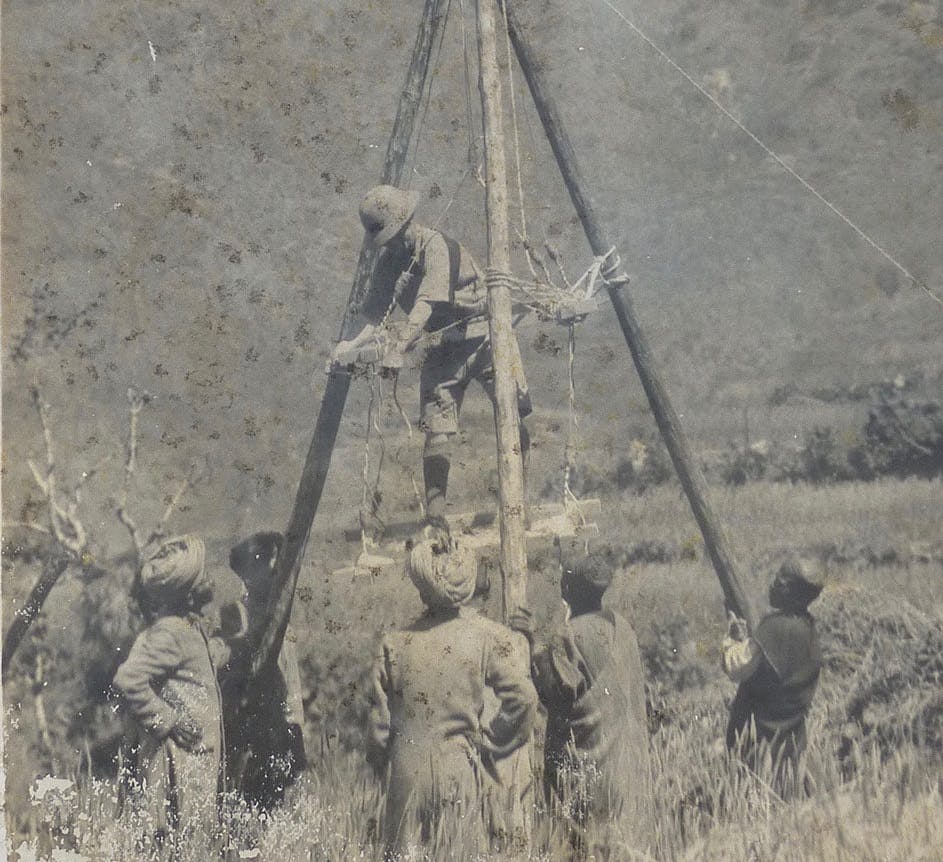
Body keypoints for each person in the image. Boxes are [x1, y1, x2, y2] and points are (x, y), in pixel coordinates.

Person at [331, 185, 532, 527]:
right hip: (443, 347)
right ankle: (435, 518)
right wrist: (347, 346)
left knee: (511, 416)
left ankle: (518, 506)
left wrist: (400, 344)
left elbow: (428, 302)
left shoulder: (436, 247)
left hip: (487, 336)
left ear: (407, 223)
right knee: (436, 429)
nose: (390, 245)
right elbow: (373, 314)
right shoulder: (390, 261)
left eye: (394, 236)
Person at [367, 531, 537, 858]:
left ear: (421, 587)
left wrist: (381, 768)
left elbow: (378, 730)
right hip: (457, 769)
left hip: (407, 774)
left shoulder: (393, 644)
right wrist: (491, 741)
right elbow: (525, 699)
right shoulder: (488, 636)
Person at [511, 547, 652, 861]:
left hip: (592, 771)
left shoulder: (571, 636)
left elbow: (553, 694)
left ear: (567, 589)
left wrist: (533, 643)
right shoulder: (622, 626)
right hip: (627, 764)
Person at [112, 534, 226, 859]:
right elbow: (128, 679)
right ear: (186, 590)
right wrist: (169, 721)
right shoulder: (169, 633)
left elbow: (195, 669)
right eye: (201, 576)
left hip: (196, 758)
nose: (209, 581)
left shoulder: (187, 629)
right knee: (175, 844)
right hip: (177, 760)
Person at [722, 556, 825, 798]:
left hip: (756, 748)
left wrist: (732, 640)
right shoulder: (809, 630)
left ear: (792, 593)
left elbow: (736, 666)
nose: (772, 585)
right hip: (791, 748)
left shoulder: (774, 628)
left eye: (780, 582)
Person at [219, 531, 307, 812]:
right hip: (248, 728)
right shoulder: (237, 616)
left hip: (279, 726)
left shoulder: (282, 622)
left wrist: (295, 730)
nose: (276, 577)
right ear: (248, 574)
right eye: (269, 568)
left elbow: (291, 683)